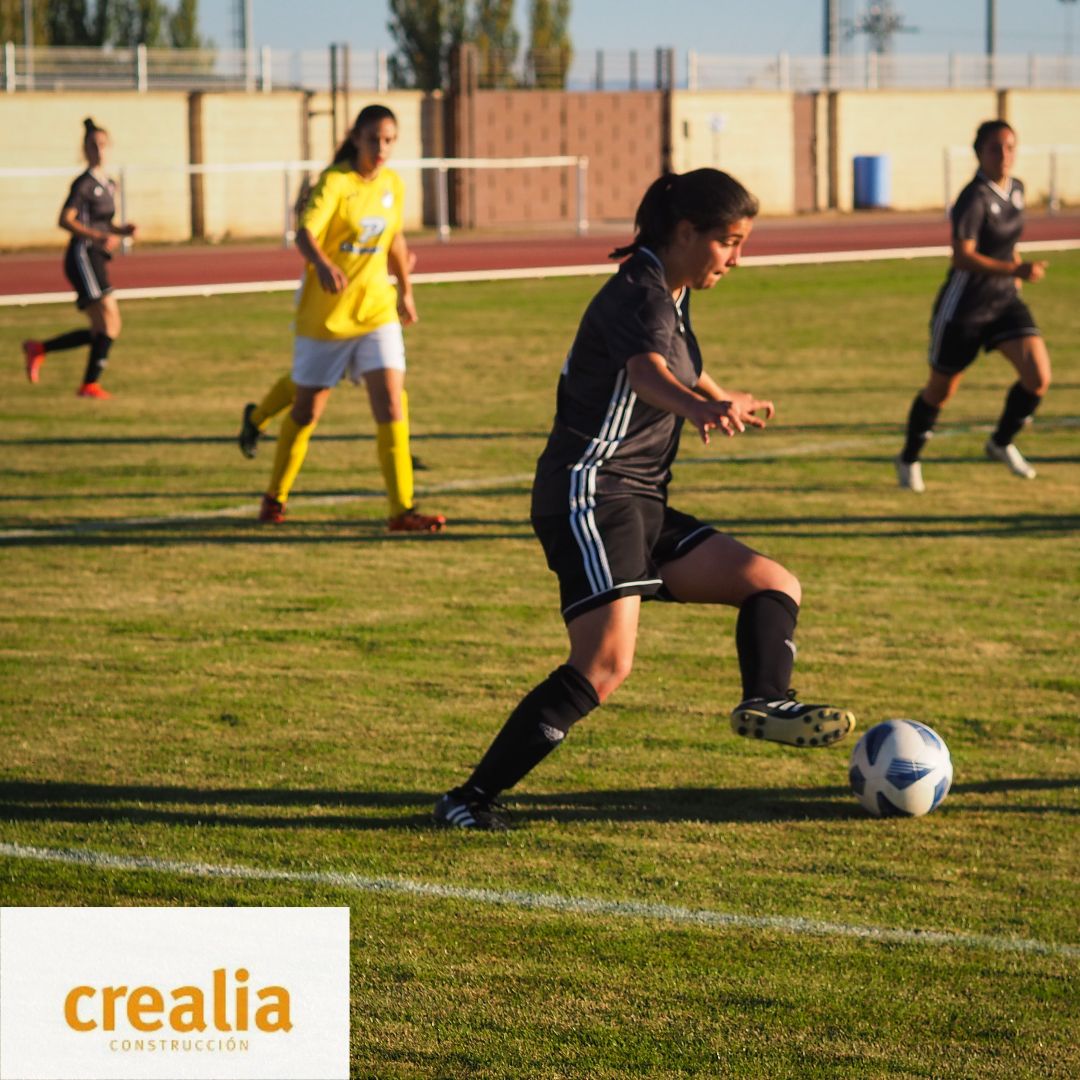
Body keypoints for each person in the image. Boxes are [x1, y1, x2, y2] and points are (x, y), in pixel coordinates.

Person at [434, 169, 856, 831]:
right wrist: (698, 408)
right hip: (591, 492)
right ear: (686, 232)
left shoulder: (672, 291)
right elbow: (647, 373)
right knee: (605, 664)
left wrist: (720, 397)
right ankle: (468, 799)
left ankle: (767, 704)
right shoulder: (641, 291)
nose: (738, 258)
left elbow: (677, 364)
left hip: (636, 499)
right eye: (729, 242)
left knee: (772, 584)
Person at [245, 104, 445, 533]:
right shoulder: (335, 183)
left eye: (389, 140)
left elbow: (393, 238)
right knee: (306, 409)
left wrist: (405, 290)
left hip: (375, 311)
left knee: (391, 401)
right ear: (356, 138)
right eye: (373, 139)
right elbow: (305, 231)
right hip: (327, 317)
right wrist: (320, 263)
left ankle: (401, 511)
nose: (381, 148)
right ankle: (274, 498)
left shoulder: (392, 184)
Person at [895, 119, 1052, 492]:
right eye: (996, 148)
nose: (1005, 155)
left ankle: (1000, 443)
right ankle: (909, 458)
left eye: (1010, 147)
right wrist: (1016, 268)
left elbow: (1007, 240)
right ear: (979, 153)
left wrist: (1013, 274)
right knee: (940, 390)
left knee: (1038, 377)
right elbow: (961, 257)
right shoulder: (973, 197)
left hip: (1005, 302)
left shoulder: (1016, 189)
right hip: (965, 307)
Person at [21, 118, 137, 399]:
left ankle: (45, 353)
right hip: (82, 255)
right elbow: (65, 220)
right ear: (85, 150)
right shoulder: (83, 184)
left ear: (109, 148)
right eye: (92, 145)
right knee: (109, 321)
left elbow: (104, 222)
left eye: (102, 144)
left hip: (96, 256)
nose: (98, 149)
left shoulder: (110, 183)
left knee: (106, 328)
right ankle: (87, 383)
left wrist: (121, 230)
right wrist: (95, 236)